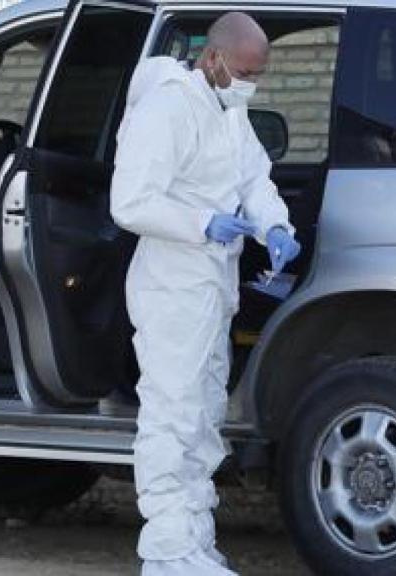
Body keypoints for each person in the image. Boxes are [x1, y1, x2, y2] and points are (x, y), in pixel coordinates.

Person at [110, 12, 301, 576]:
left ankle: (194, 543)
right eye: (244, 71)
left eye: (259, 74)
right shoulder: (167, 108)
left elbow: (253, 178)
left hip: (211, 285)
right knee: (171, 414)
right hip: (171, 281)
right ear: (213, 58)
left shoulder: (228, 109)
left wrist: (274, 225)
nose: (251, 83)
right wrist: (202, 222)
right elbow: (130, 202)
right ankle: (166, 553)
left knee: (202, 416)